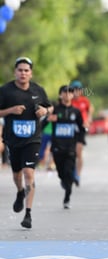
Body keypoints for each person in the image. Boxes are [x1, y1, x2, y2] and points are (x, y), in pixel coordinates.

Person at [0, 57, 53, 228]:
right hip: (13, 140)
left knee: (29, 173)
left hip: (33, 140)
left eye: (26, 70)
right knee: (17, 174)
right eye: (20, 70)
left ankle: (28, 214)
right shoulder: (6, 91)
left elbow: (50, 107)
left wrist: (45, 110)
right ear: (15, 72)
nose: (23, 73)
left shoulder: (38, 90)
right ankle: (20, 191)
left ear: (31, 73)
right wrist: (11, 110)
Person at [48, 85, 85, 209]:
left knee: (69, 171)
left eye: (70, 93)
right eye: (65, 92)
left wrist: (80, 141)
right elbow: (43, 124)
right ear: (60, 95)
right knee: (61, 172)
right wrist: (49, 119)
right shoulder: (55, 110)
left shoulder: (76, 112)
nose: (67, 95)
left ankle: (67, 195)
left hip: (70, 147)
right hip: (57, 146)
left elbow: (81, 129)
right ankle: (64, 182)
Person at [70, 80, 94, 186]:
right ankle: (71, 172)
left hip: (81, 128)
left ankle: (77, 175)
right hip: (70, 128)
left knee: (78, 152)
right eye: (74, 90)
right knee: (70, 153)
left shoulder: (85, 101)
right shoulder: (69, 101)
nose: (76, 92)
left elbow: (90, 110)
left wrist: (88, 120)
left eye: (78, 90)